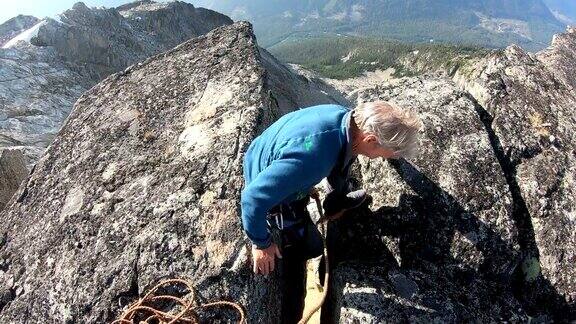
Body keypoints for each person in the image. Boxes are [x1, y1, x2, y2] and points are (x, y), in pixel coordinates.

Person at [241, 101, 422, 323]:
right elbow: (252, 198)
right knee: (301, 255)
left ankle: (336, 203)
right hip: (274, 195)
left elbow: (342, 156)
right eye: (389, 152)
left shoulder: (348, 121)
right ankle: (291, 314)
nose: (388, 157)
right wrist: (261, 243)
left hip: (273, 158)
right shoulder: (314, 159)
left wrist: (337, 201)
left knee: (315, 241)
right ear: (371, 140)